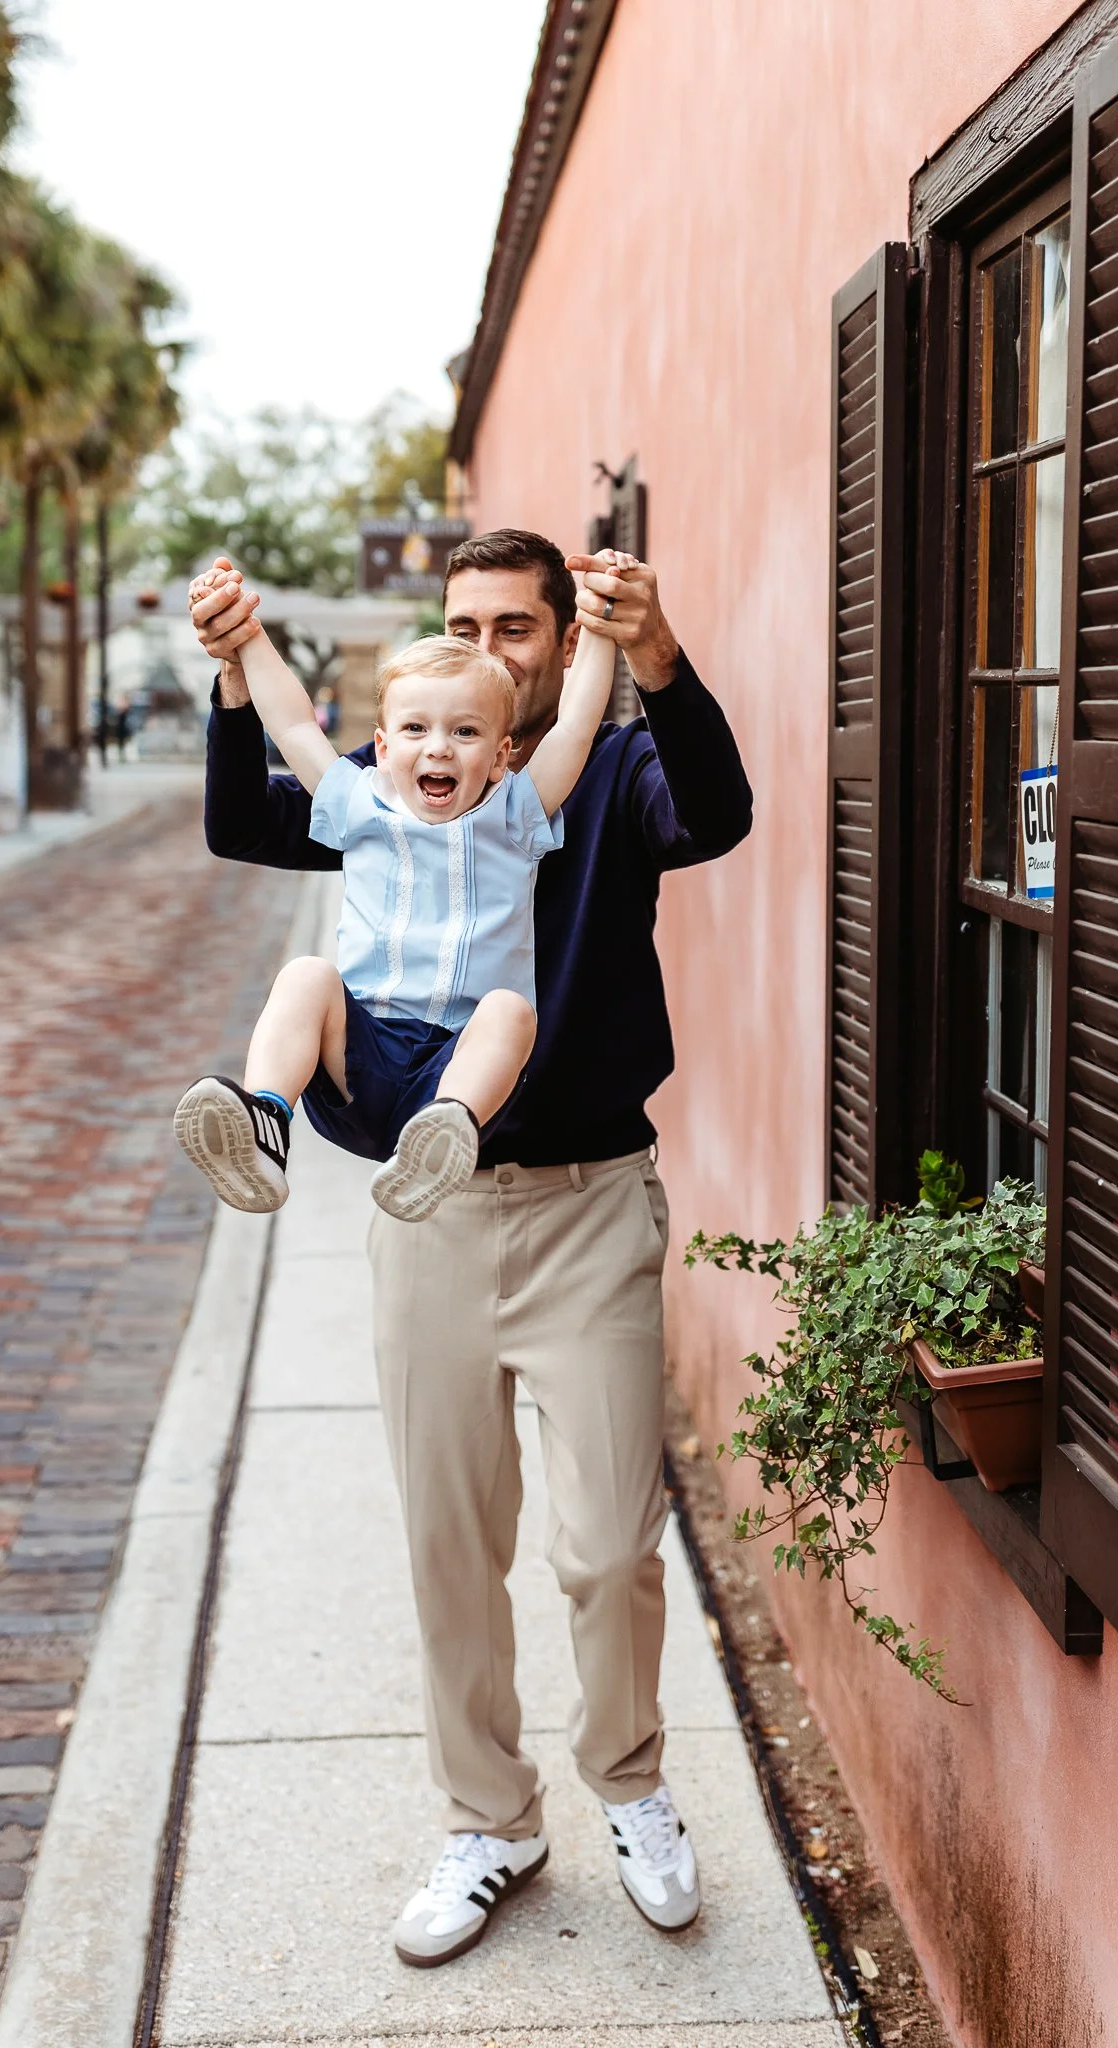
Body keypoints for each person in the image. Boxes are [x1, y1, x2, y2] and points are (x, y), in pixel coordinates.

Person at [192, 528, 752, 1965]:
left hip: (585, 1205)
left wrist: (662, 661)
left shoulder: (597, 772)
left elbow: (719, 810)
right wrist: (231, 677)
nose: (489, 650)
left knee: (609, 1543)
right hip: (427, 1209)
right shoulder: (406, 770)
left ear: (563, 647)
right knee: (452, 1543)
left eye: (516, 629)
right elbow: (250, 815)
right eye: (462, 625)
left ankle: (629, 1785)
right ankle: (490, 1819)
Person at [174, 560, 621, 1224]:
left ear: (500, 756)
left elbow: (577, 726)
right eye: (415, 730)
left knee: (510, 1011)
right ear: (381, 748)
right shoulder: (358, 804)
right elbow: (295, 725)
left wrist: (605, 624)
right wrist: (245, 636)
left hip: (457, 1072)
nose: (438, 749)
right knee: (304, 976)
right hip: (360, 1063)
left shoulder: (516, 815)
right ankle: (267, 1122)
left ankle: (437, 1140)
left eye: (465, 732)